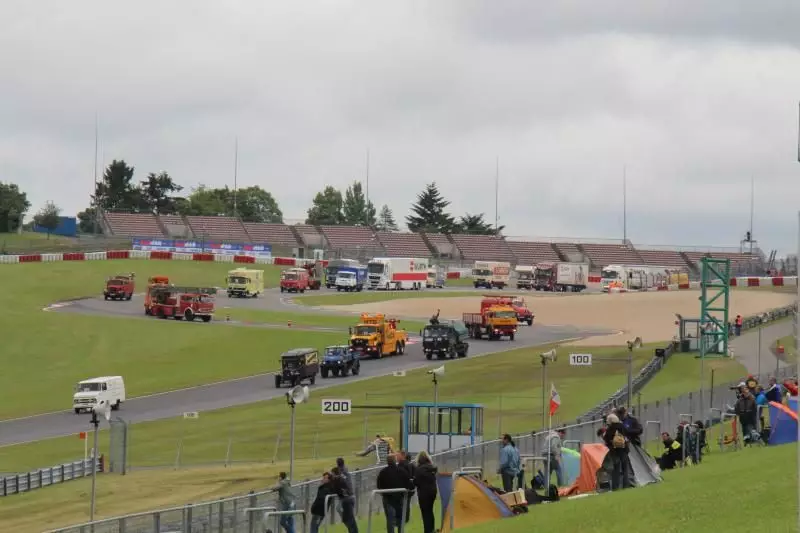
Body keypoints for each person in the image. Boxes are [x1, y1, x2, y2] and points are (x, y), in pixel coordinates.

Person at [376, 454, 412, 533]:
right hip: (400, 499)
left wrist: (384, 494)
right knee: (400, 518)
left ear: (387, 461)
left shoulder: (383, 472)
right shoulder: (402, 471)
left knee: (390, 519)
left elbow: (379, 486)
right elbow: (409, 484)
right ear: (395, 460)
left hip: (388, 499)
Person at [602, 414, 631, 491]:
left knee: (616, 469)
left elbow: (606, 438)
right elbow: (627, 435)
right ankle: (626, 485)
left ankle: (615, 487)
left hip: (614, 451)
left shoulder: (611, 428)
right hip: (624, 449)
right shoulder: (622, 426)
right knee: (625, 469)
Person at [414, 451, 438, 533]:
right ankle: (432, 529)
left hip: (424, 493)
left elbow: (416, 482)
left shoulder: (419, 469)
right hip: (433, 492)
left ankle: (427, 531)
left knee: (425, 513)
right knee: (430, 511)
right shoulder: (432, 468)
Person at [330, 466, 359, 533]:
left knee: (349, 519)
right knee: (348, 517)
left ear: (334, 473)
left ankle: (353, 530)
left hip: (346, 499)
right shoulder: (341, 477)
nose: (331, 475)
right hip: (349, 498)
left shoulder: (338, 480)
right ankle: (351, 529)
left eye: (332, 474)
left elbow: (336, 490)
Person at [396, 450, 416, 524]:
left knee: (403, 504)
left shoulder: (401, 465)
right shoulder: (411, 464)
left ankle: (403, 519)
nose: (396, 457)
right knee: (407, 503)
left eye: (398, 456)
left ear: (403, 456)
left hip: (403, 488)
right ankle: (406, 518)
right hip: (410, 487)